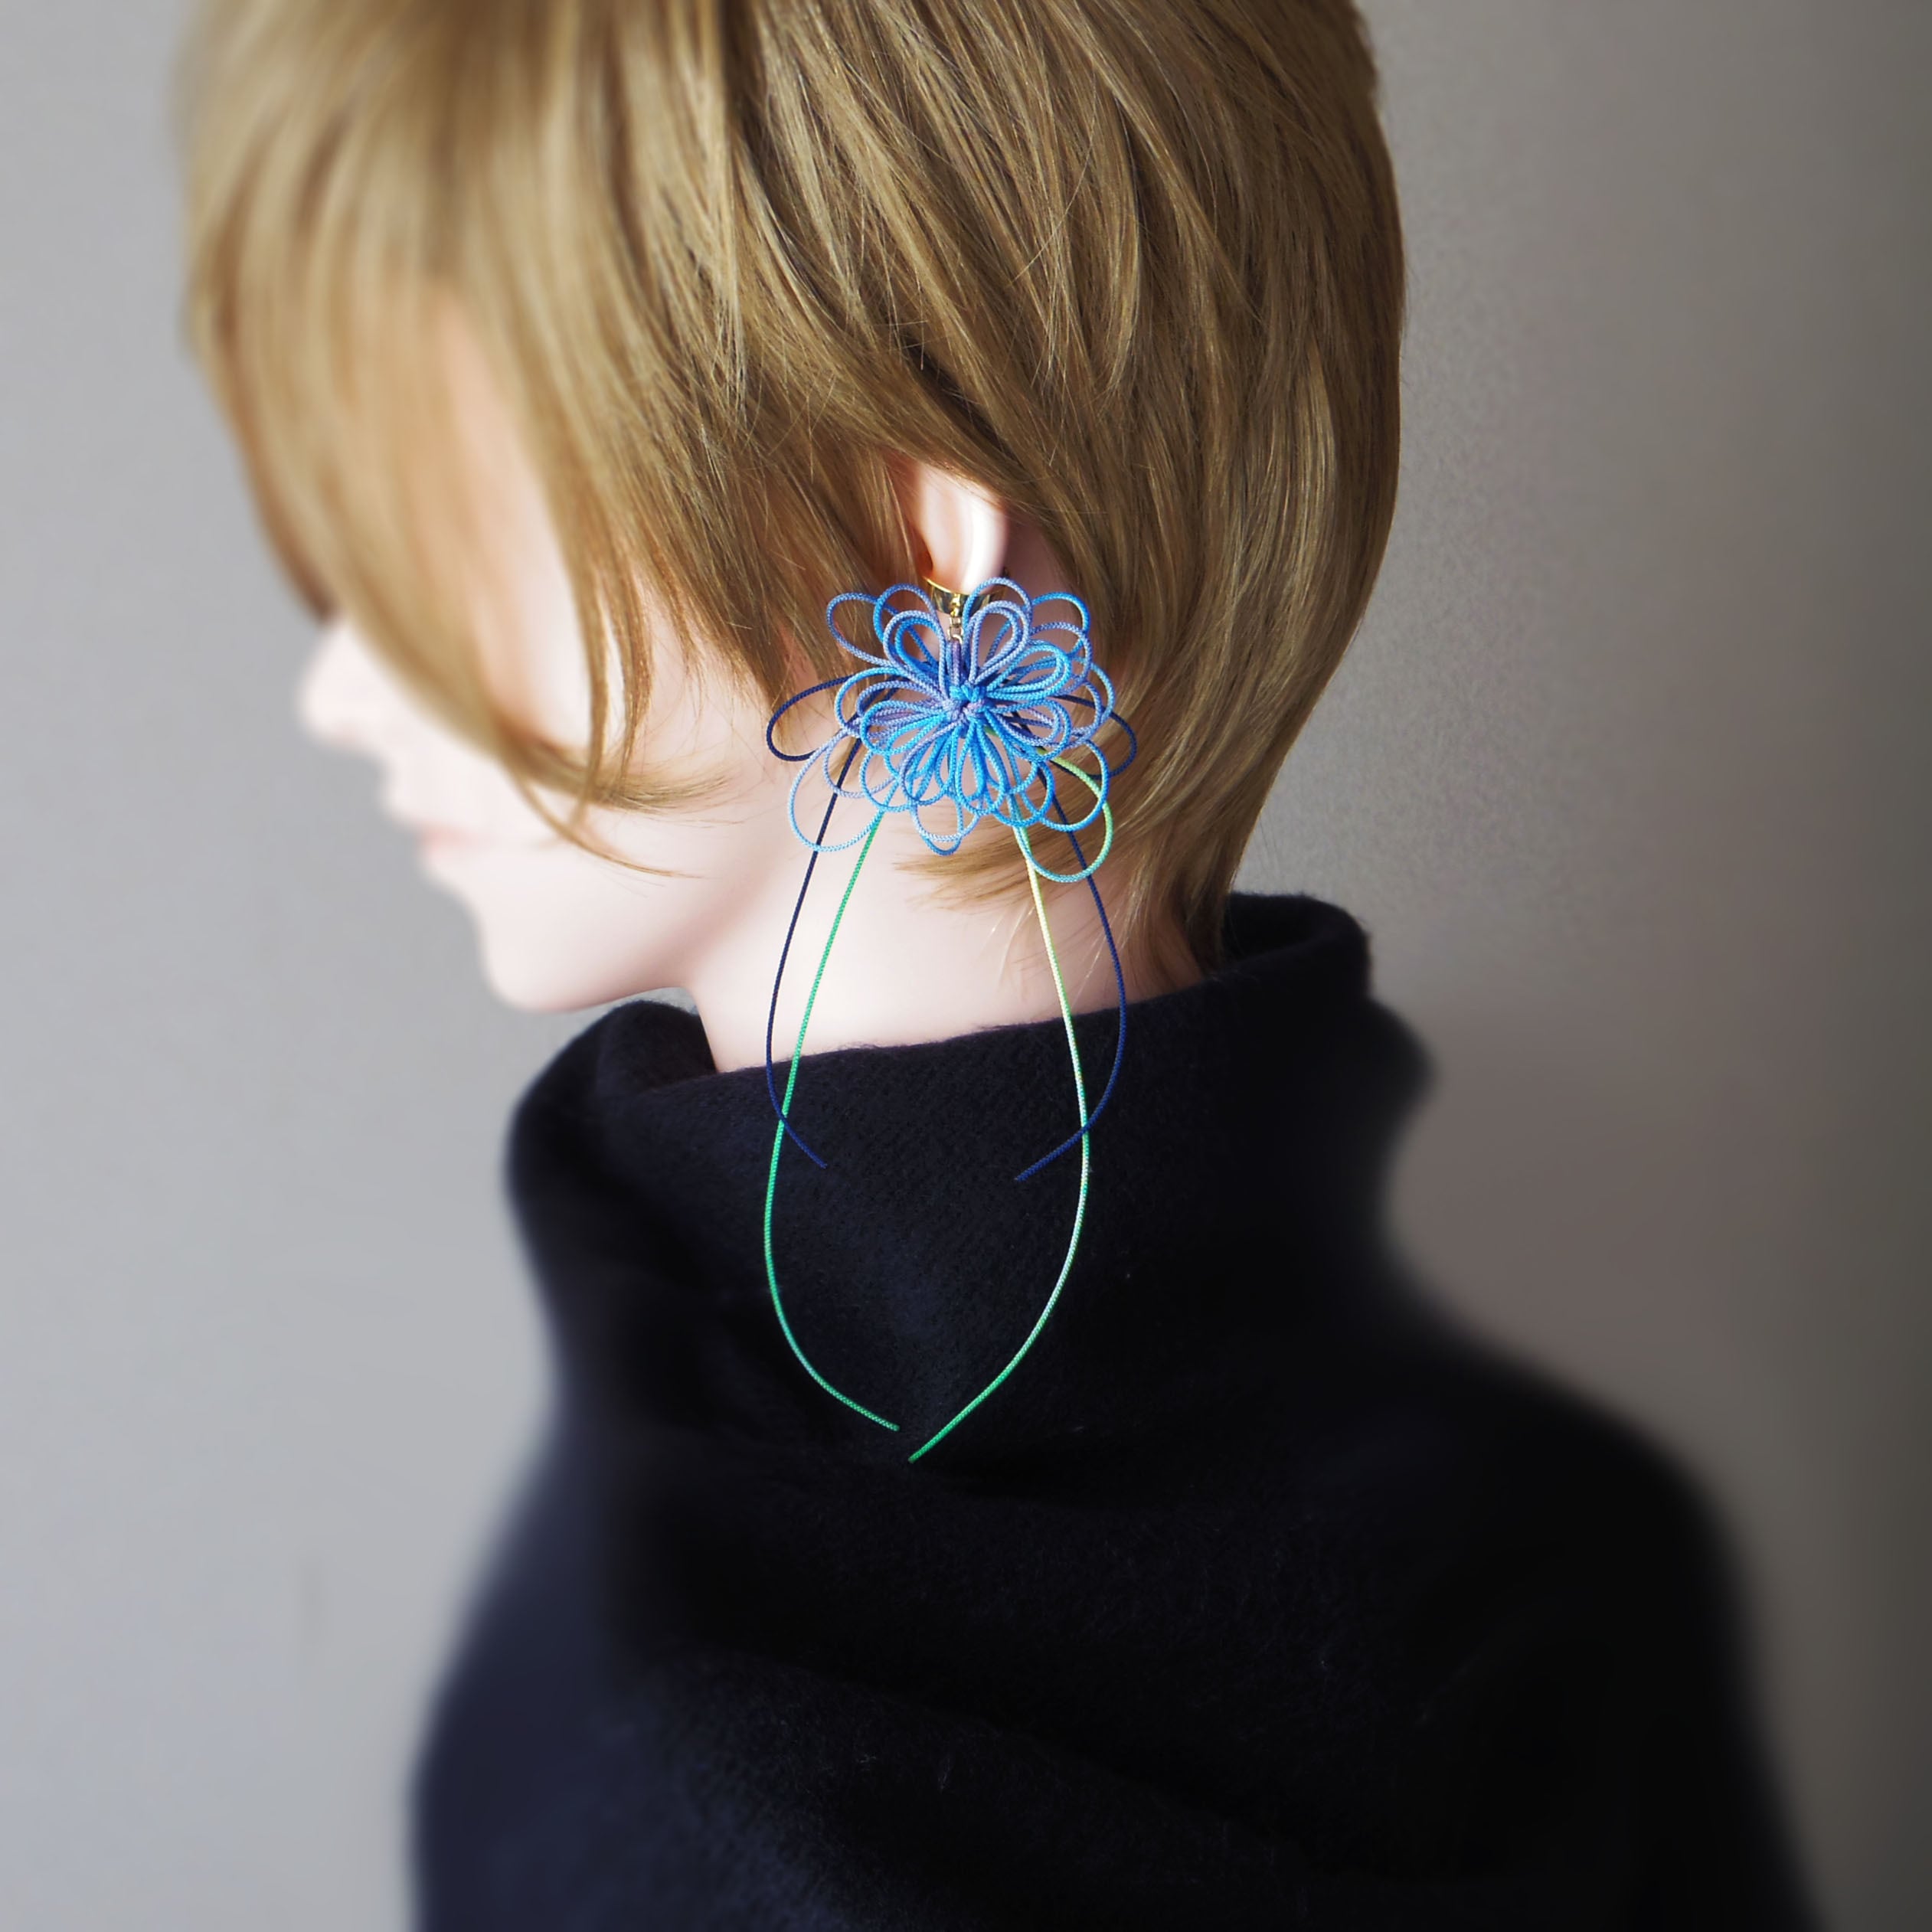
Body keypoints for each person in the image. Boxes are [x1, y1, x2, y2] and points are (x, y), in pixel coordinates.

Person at [179, 0, 1816, 1924]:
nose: (340, 694)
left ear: (914, 541)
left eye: (417, 535)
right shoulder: (1580, 1545)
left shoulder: (678, 1775)